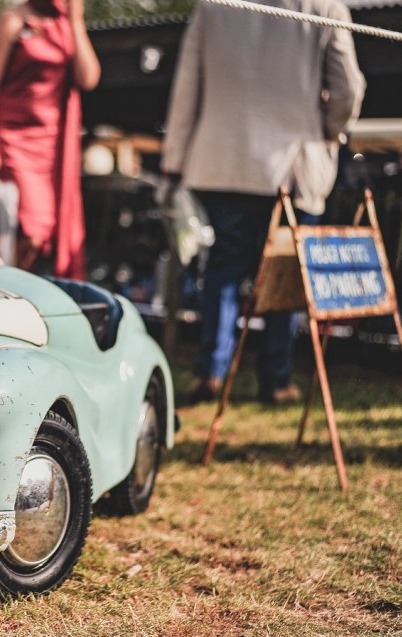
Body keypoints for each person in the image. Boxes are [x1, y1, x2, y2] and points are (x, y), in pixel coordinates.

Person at [160, 0, 366, 404]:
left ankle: (211, 372)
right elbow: (349, 90)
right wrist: (326, 130)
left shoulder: (212, 7)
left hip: (222, 162)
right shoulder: (324, 7)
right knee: (285, 275)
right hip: (292, 166)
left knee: (222, 270)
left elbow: (186, 85)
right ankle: (276, 379)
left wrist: (175, 160)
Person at [0, 0, 100, 279]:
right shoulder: (13, 21)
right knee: (31, 230)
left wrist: (76, 20)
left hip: (53, 146)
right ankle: (1, 289)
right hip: (13, 140)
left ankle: (13, 289)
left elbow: (88, 77)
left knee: (42, 235)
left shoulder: (65, 24)